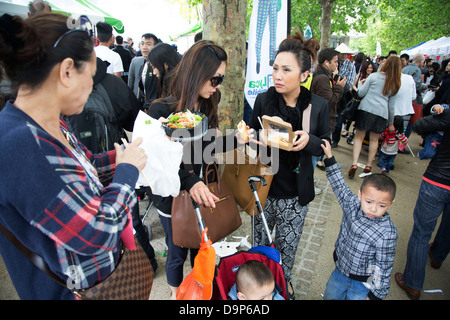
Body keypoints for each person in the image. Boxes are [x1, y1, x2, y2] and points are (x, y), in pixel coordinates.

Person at [0, 12, 148, 300]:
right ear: (67, 71)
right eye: (91, 76)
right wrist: (127, 173)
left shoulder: (47, 124)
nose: (92, 86)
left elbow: (81, 169)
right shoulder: (21, 145)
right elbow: (96, 233)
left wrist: (125, 158)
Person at [147, 40, 255, 300]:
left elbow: (208, 146)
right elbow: (158, 164)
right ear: (196, 73)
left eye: (221, 80)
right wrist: (191, 180)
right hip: (173, 197)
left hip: (202, 192)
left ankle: (200, 294)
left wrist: (235, 140)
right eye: (214, 79)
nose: (217, 87)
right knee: (176, 252)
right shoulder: (161, 110)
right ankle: (177, 296)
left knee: (203, 250)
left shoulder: (208, 103)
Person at [248, 31, 330, 298]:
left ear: (304, 75)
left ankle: (284, 281)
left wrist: (310, 140)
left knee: (288, 245)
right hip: (263, 188)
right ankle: (255, 287)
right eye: (275, 68)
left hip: (296, 193)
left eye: (286, 69)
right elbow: (249, 138)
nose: (278, 75)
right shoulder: (263, 100)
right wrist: (252, 138)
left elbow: (326, 145)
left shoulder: (317, 106)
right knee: (259, 243)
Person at [321, 139, 398, 300]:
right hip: (340, 271)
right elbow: (340, 186)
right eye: (369, 202)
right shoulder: (353, 205)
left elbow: (384, 267)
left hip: (363, 283)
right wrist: (329, 158)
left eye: (382, 205)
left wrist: (376, 295)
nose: (373, 209)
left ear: (390, 205)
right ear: (360, 195)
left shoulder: (387, 232)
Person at [395, 108, 450, 300]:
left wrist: (439, 118)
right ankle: (437, 255)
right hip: (440, 179)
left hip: (438, 179)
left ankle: (412, 283)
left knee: (421, 232)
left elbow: (419, 124)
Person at [348, 56, 401, 178]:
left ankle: (355, 163)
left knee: (358, 137)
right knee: (374, 140)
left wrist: (360, 85)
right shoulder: (395, 83)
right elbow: (392, 107)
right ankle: (369, 164)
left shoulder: (374, 76)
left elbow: (361, 93)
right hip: (381, 114)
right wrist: (391, 123)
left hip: (366, 109)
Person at [310, 47, 346, 134]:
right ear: (326, 62)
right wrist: (339, 87)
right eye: (335, 61)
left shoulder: (322, 75)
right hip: (321, 124)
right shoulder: (323, 78)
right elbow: (329, 103)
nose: (337, 64)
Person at [128, 33, 159, 108]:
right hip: (138, 102)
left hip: (154, 104)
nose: (144, 47)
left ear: (155, 46)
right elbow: (130, 83)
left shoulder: (158, 64)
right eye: (142, 44)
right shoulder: (135, 61)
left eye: (148, 44)